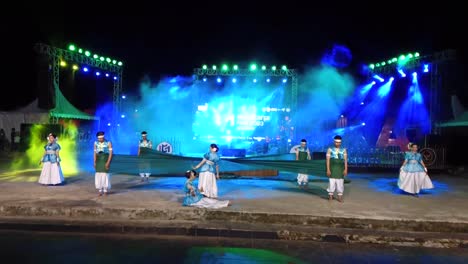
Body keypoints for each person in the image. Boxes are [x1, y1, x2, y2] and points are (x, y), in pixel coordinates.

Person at [326, 135, 348, 202]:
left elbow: (345, 160)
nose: (337, 144)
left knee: (340, 182)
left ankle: (339, 196)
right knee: (331, 182)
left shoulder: (344, 150)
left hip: (340, 168)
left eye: (339, 142)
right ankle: (330, 195)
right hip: (332, 168)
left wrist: (346, 169)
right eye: (336, 142)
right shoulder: (330, 149)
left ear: (341, 142)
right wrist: (328, 169)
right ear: (334, 142)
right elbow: (328, 160)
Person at [94, 131, 113, 196]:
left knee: (105, 175)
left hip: (105, 159)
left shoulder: (108, 143)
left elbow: (110, 153)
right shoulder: (96, 143)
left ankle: (105, 190)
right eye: (98, 139)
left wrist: (108, 162)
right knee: (98, 174)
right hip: (98, 160)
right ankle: (100, 190)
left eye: (101, 138)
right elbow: (95, 153)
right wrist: (94, 162)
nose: (100, 140)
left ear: (103, 137)